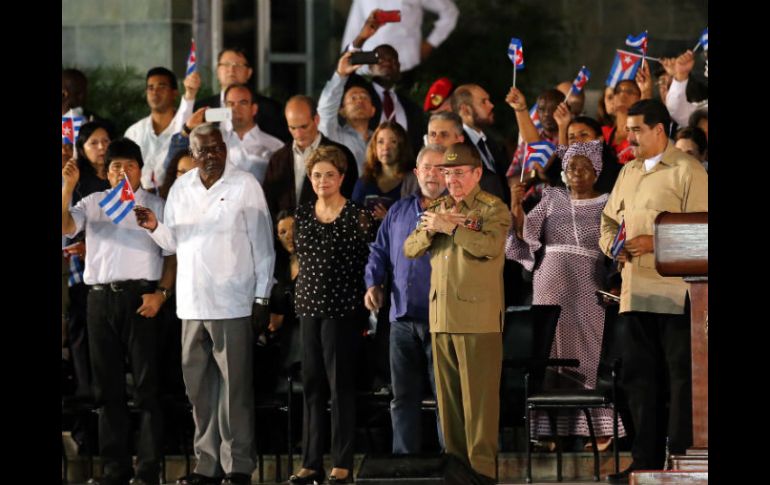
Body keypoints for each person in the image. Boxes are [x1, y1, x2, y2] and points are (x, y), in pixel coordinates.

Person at [135, 123, 275, 485]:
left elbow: (263, 247)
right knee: (198, 390)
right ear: (192, 154)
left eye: (217, 148)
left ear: (225, 147)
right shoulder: (181, 188)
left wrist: (262, 296)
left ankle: (239, 465)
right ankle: (207, 465)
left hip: (233, 303)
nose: (212, 155)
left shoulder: (245, 185)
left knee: (236, 391)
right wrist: (153, 226)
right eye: (204, 150)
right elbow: (174, 244)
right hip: (191, 304)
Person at [599, 100, 707, 483]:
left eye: (636, 130)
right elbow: (609, 219)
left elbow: (702, 233)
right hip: (633, 292)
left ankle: (679, 461)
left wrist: (654, 242)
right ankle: (644, 461)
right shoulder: (628, 171)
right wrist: (613, 245)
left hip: (679, 297)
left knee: (680, 381)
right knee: (638, 380)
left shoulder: (688, 170)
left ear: (659, 130)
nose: (629, 137)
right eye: (628, 130)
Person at [62, 138, 174, 485]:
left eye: (129, 166)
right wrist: (66, 186)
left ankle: (148, 470)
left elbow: (173, 251)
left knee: (147, 388)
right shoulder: (94, 202)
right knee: (107, 390)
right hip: (99, 300)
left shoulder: (155, 203)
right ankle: (115, 469)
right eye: (114, 167)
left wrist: (161, 294)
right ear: (105, 172)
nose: (121, 172)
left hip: (142, 298)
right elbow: (66, 227)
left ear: (141, 169)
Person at [505, 140, 625, 450]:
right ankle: (548, 430)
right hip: (549, 286)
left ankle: (595, 426)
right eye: (572, 167)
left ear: (597, 171)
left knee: (586, 354)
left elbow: (615, 245)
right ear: (563, 171)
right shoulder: (551, 197)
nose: (578, 173)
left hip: (588, 287)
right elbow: (525, 238)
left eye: (585, 168)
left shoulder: (609, 202)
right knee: (548, 354)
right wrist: (516, 206)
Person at [404, 143, 511, 484]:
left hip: (477, 317)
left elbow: (490, 247)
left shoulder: (492, 208)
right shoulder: (437, 208)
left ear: (477, 173)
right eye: (447, 173)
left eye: (459, 173)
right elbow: (409, 248)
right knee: (448, 404)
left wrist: (451, 228)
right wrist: (432, 228)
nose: (452, 180)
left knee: (478, 405)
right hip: (441, 316)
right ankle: (455, 470)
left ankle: (482, 473)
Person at [289, 145, 375, 485]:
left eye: (329, 174)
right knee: (312, 386)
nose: (322, 180)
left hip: (343, 310)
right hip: (309, 308)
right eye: (316, 175)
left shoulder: (357, 214)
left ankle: (342, 463)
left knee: (341, 387)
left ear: (341, 177)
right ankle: (311, 463)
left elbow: (366, 261)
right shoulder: (304, 213)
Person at [364, 143, 447, 454]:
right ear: (417, 172)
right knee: (402, 397)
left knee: (444, 398)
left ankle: (451, 462)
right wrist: (373, 283)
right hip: (400, 318)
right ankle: (404, 461)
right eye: (427, 167)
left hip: (441, 319)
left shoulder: (457, 212)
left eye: (441, 168)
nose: (433, 174)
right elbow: (379, 251)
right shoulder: (399, 210)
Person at [263, 95, 359, 220]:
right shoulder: (278, 159)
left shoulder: (341, 155)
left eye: (304, 126)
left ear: (317, 119)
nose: (298, 134)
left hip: (329, 234)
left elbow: (349, 199)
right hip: (284, 236)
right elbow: (269, 202)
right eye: (293, 128)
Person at [193, 47, 290, 142]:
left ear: (249, 73)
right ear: (218, 71)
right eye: (226, 64)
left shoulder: (270, 108)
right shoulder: (201, 107)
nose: (231, 70)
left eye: (238, 65)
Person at [124, 67, 199, 190]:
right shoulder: (134, 132)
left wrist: (190, 95)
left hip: (177, 197)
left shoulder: (186, 127)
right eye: (150, 87)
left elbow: (184, 123)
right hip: (139, 200)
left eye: (161, 86)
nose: (155, 92)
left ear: (174, 92)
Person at [340, 1, 459, 74]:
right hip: (368, 66)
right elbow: (354, 26)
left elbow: (450, 11)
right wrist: (347, 60)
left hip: (405, 65)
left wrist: (431, 42)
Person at [318, 51, 378, 175]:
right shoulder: (334, 137)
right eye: (353, 98)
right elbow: (325, 112)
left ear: (373, 110)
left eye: (364, 97)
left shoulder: (380, 140)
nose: (359, 101)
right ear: (342, 111)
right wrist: (340, 75)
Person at [220, 83, 284, 183]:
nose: (236, 109)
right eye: (231, 104)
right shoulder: (217, 143)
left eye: (243, 103)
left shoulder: (275, 146)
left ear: (254, 109)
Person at [352, 121, 412, 220]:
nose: (385, 147)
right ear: (374, 147)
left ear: (402, 146)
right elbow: (353, 217)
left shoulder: (412, 181)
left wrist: (388, 220)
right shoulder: (365, 181)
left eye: (393, 141)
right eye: (380, 142)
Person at [601, 80, 641, 165]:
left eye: (629, 91)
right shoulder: (602, 133)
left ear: (640, 98)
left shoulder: (642, 135)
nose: (622, 95)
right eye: (618, 91)